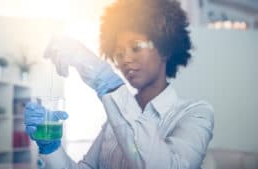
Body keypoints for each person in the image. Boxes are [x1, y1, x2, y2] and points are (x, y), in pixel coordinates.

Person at [24, 0, 214, 168]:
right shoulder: (115, 117)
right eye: (119, 53)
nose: (126, 60)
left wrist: (105, 80)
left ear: (164, 49)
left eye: (136, 47)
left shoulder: (195, 114)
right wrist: (51, 148)